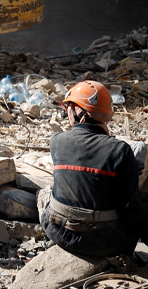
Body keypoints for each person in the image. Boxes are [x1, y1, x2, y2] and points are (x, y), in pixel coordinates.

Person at [38, 80, 148, 257]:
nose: (67, 114)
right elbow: (132, 212)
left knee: (44, 195)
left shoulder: (56, 141)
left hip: (59, 233)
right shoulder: (120, 150)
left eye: (69, 109)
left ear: (78, 110)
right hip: (107, 244)